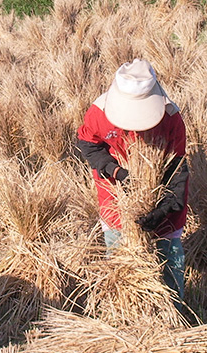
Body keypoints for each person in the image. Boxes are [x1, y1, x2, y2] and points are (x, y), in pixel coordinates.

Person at [76, 59, 190, 314]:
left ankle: (173, 313)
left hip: (162, 188)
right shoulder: (99, 112)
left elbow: (177, 168)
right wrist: (115, 171)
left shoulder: (170, 118)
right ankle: (122, 312)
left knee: (169, 250)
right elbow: (88, 144)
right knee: (118, 248)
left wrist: (165, 206)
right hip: (115, 190)